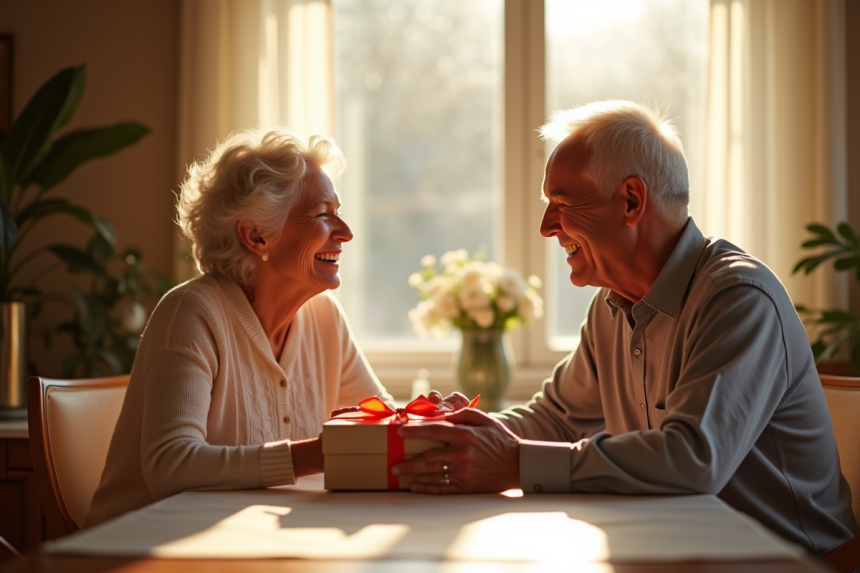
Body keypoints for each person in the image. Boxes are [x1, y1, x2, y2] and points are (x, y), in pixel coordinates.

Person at [392, 100, 858, 557]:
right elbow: (557, 419)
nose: (546, 226)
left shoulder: (737, 297)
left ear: (631, 201)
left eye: (562, 201)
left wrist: (514, 463)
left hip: (789, 562)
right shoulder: (609, 306)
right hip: (681, 553)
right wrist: (468, 433)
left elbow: (694, 458)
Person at [87, 128, 392, 526]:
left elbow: (380, 418)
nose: (346, 232)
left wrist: (434, 419)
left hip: (251, 541)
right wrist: (311, 455)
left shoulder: (325, 318)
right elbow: (170, 465)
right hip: (137, 553)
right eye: (322, 214)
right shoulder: (191, 314)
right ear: (256, 236)